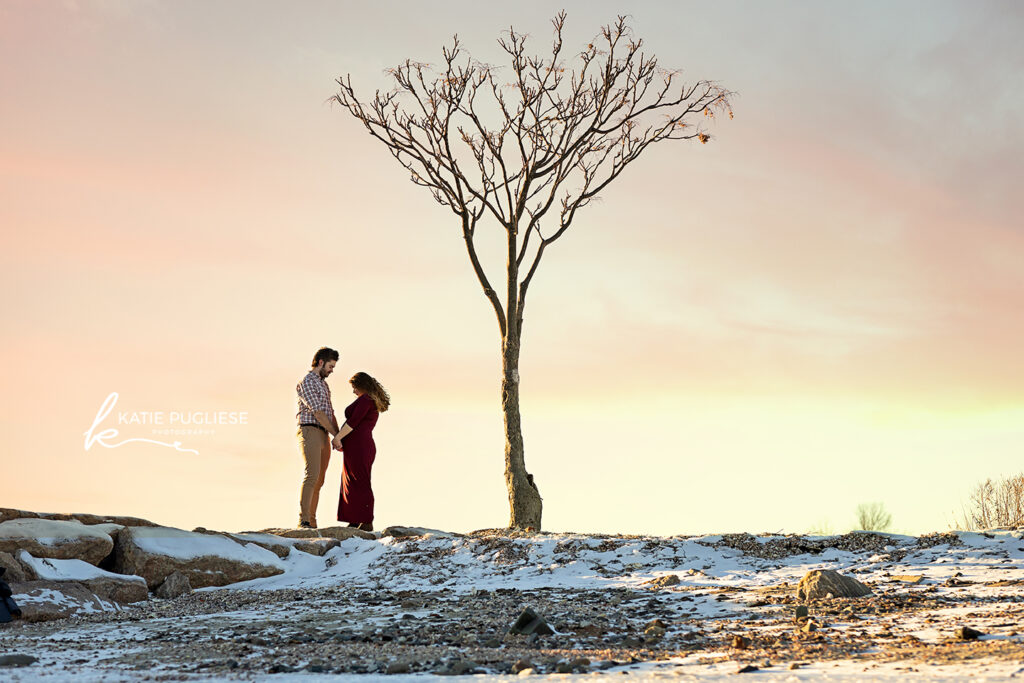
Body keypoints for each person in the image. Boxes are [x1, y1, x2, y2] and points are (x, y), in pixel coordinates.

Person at [332, 372, 389, 531]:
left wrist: (337, 438)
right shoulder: (366, 400)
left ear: (361, 385)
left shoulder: (366, 400)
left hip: (360, 446)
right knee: (351, 481)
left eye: (354, 387)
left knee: (360, 481)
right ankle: (355, 518)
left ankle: (366, 520)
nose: (353, 391)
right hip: (355, 446)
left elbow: (353, 422)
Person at [295, 347, 341, 529]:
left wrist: (339, 436)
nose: (332, 370)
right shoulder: (307, 382)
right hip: (310, 430)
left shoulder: (323, 384)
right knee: (312, 475)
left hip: (323, 433)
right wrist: (335, 434)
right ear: (321, 362)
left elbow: (330, 413)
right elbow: (319, 413)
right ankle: (304, 520)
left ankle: (312, 521)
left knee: (320, 479)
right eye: (330, 366)